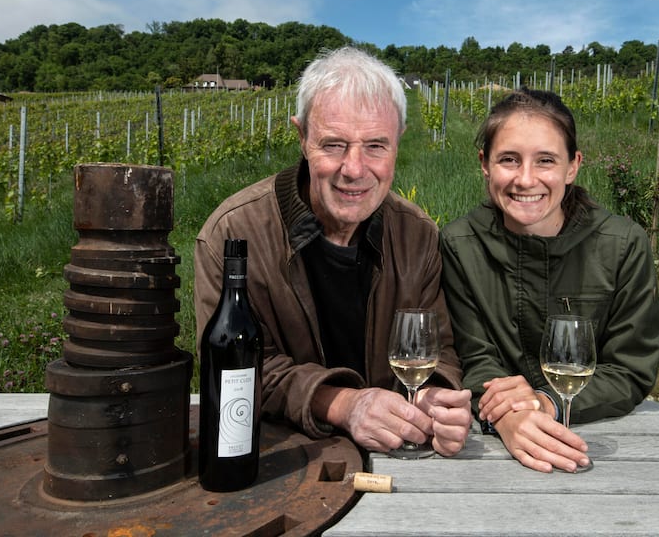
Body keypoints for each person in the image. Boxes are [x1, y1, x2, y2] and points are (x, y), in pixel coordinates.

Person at [194, 46, 472, 457]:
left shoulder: (418, 235)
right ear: (302, 137)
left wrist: (435, 396)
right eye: (335, 145)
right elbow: (240, 369)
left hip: (395, 457)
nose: (355, 169)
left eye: (376, 146)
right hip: (279, 457)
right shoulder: (233, 235)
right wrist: (343, 404)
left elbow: (439, 349)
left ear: (399, 143)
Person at [439, 87, 659, 472]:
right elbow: (475, 356)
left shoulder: (623, 245)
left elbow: (629, 368)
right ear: (485, 164)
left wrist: (544, 403)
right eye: (509, 159)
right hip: (491, 444)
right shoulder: (459, 244)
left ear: (572, 166)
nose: (526, 180)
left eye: (545, 160)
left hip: (600, 438)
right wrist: (506, 417)